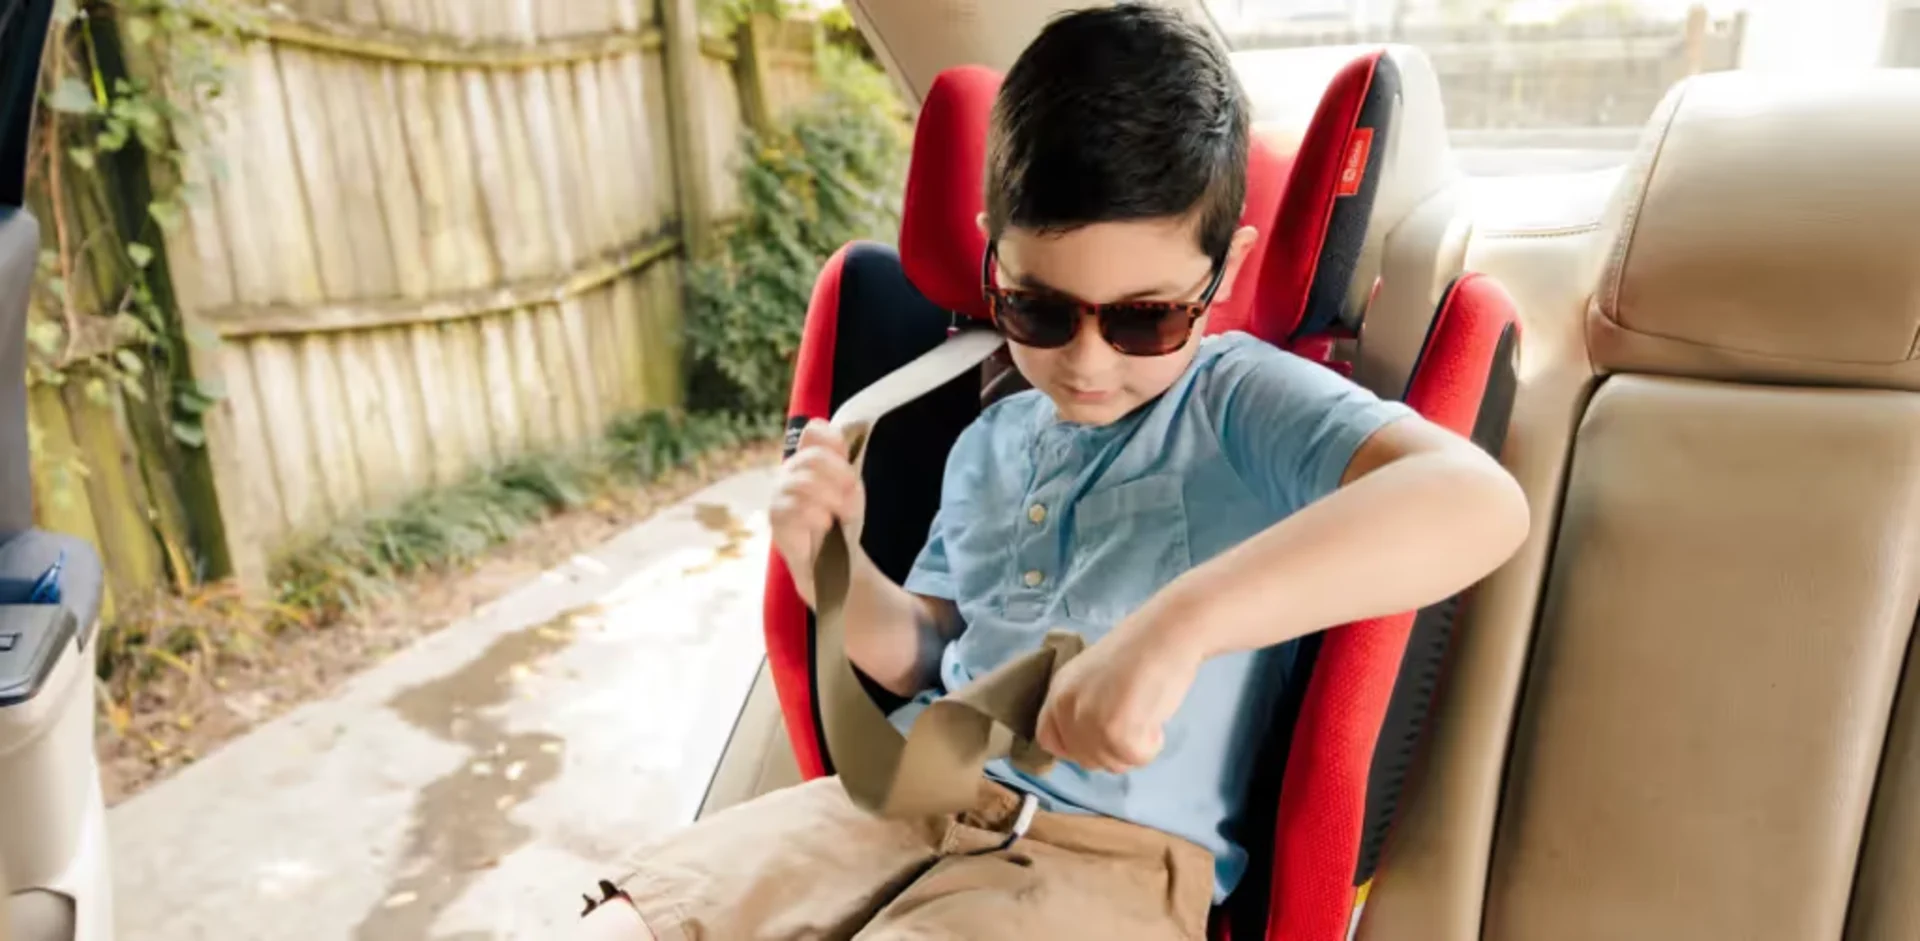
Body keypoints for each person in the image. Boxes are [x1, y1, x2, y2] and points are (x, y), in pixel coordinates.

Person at [576, 5, 1529, 938]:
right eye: (1036, 309)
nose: (1087, 361)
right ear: (995, 255)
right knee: (623, 918)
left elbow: (1477, 503)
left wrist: (1180, 624)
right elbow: (926, 648)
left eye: (1145, 317)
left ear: (1224, 274)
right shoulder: (990, 437)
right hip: (900, 797)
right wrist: (829, 563)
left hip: (1106, 861)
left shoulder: (1241, 399)